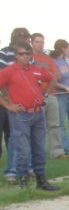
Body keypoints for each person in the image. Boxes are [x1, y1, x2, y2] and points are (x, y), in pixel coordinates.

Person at [0, 39, 62, 190]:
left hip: (37, 112)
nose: (25, 56)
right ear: (16, 55)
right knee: (23, 148)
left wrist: (45, 95)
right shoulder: (8, 72)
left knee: (39, 147)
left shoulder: (36, 69)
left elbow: (52, 78)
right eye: (22, 54)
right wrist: (9, 105)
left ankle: (41, 179)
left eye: (28, 54)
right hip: (20, 114)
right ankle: (23, 180)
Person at [1, 27, 32, 182]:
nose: (27, 41)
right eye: (25, 38)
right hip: (4, 101)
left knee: (14, 136)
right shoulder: (4, 53)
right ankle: (11, 170)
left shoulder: (27, 55)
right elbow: (3, 80)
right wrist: (9, 101)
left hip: (19, 103)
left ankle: (14, 170)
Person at [30, 33, 62, 158]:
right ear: (32, 43)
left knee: (54, 124)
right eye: (37, 42)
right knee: (38, 127)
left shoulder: (48, 59)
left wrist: (48, 75)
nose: (40, 44)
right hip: (35, 97)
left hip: (51, 95)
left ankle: (57, 151)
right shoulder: (28, 58)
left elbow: (57, 75)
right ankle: (38, 153)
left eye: (42, 42)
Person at [50, 39, 69, 157]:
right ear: (63, 48)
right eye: (68, 48)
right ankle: (64, 149)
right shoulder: (53, 62)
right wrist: (63, 87)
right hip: (60, 95)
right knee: (61, 124)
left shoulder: (66, 61)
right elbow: (51, 80)